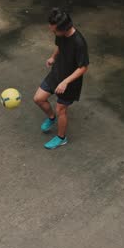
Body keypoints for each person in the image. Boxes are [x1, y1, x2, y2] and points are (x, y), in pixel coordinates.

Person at [33, 8, 89, 150]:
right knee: (38, 99)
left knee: (61, 109)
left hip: (70, 83)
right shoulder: (60, 32)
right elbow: (60, 46)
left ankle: (61, 138)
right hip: (57, 73)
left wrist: (65, 82)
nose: (52, 32)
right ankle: (52, 118)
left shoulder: (79, 43)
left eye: (54, 30)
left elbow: (83, 67)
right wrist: (53, 57)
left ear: (64, 29)